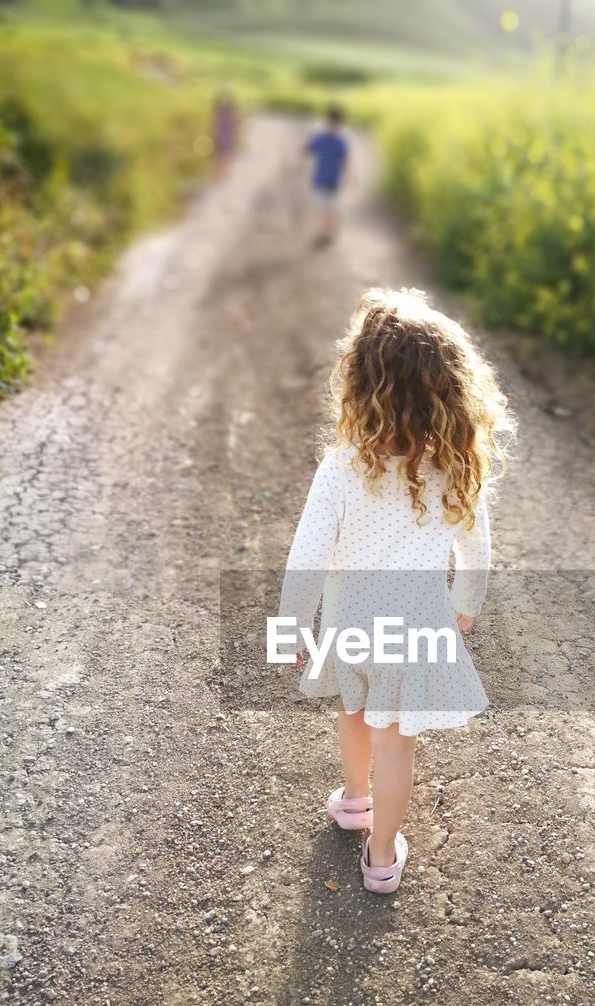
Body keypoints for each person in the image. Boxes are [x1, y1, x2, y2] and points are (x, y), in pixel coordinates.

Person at [278, 288, 513, 894]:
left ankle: (354, 800)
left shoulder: (343, 466)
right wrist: (465, 606)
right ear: (450, 388)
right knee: (397, 744)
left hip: (351, 624)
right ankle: (381, 857)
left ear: (359, 382)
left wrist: (290, 627)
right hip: (416, 629)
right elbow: (475, 549)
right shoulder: (457, 463)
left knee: (352, 709)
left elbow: (306, 556)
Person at [305, 106, 350, 246]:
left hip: (332, 180)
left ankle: (328, 233)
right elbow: (306, 149)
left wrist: (348, 177)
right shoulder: (325, 138)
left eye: (335, 123)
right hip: (322, 179)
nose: (333, 125)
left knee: (330, 208)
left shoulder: (338, 141)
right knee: (324, 208)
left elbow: (344, 162)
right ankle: (325, 233)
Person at [211, 93, 238, 180]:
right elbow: (214, 125)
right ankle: (220, 174)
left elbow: (232, 126)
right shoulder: (219, 112)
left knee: (223, 155)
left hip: (225, 135)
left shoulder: (229, 113)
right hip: (221, 135)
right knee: (219, 155)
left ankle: (222, 174)